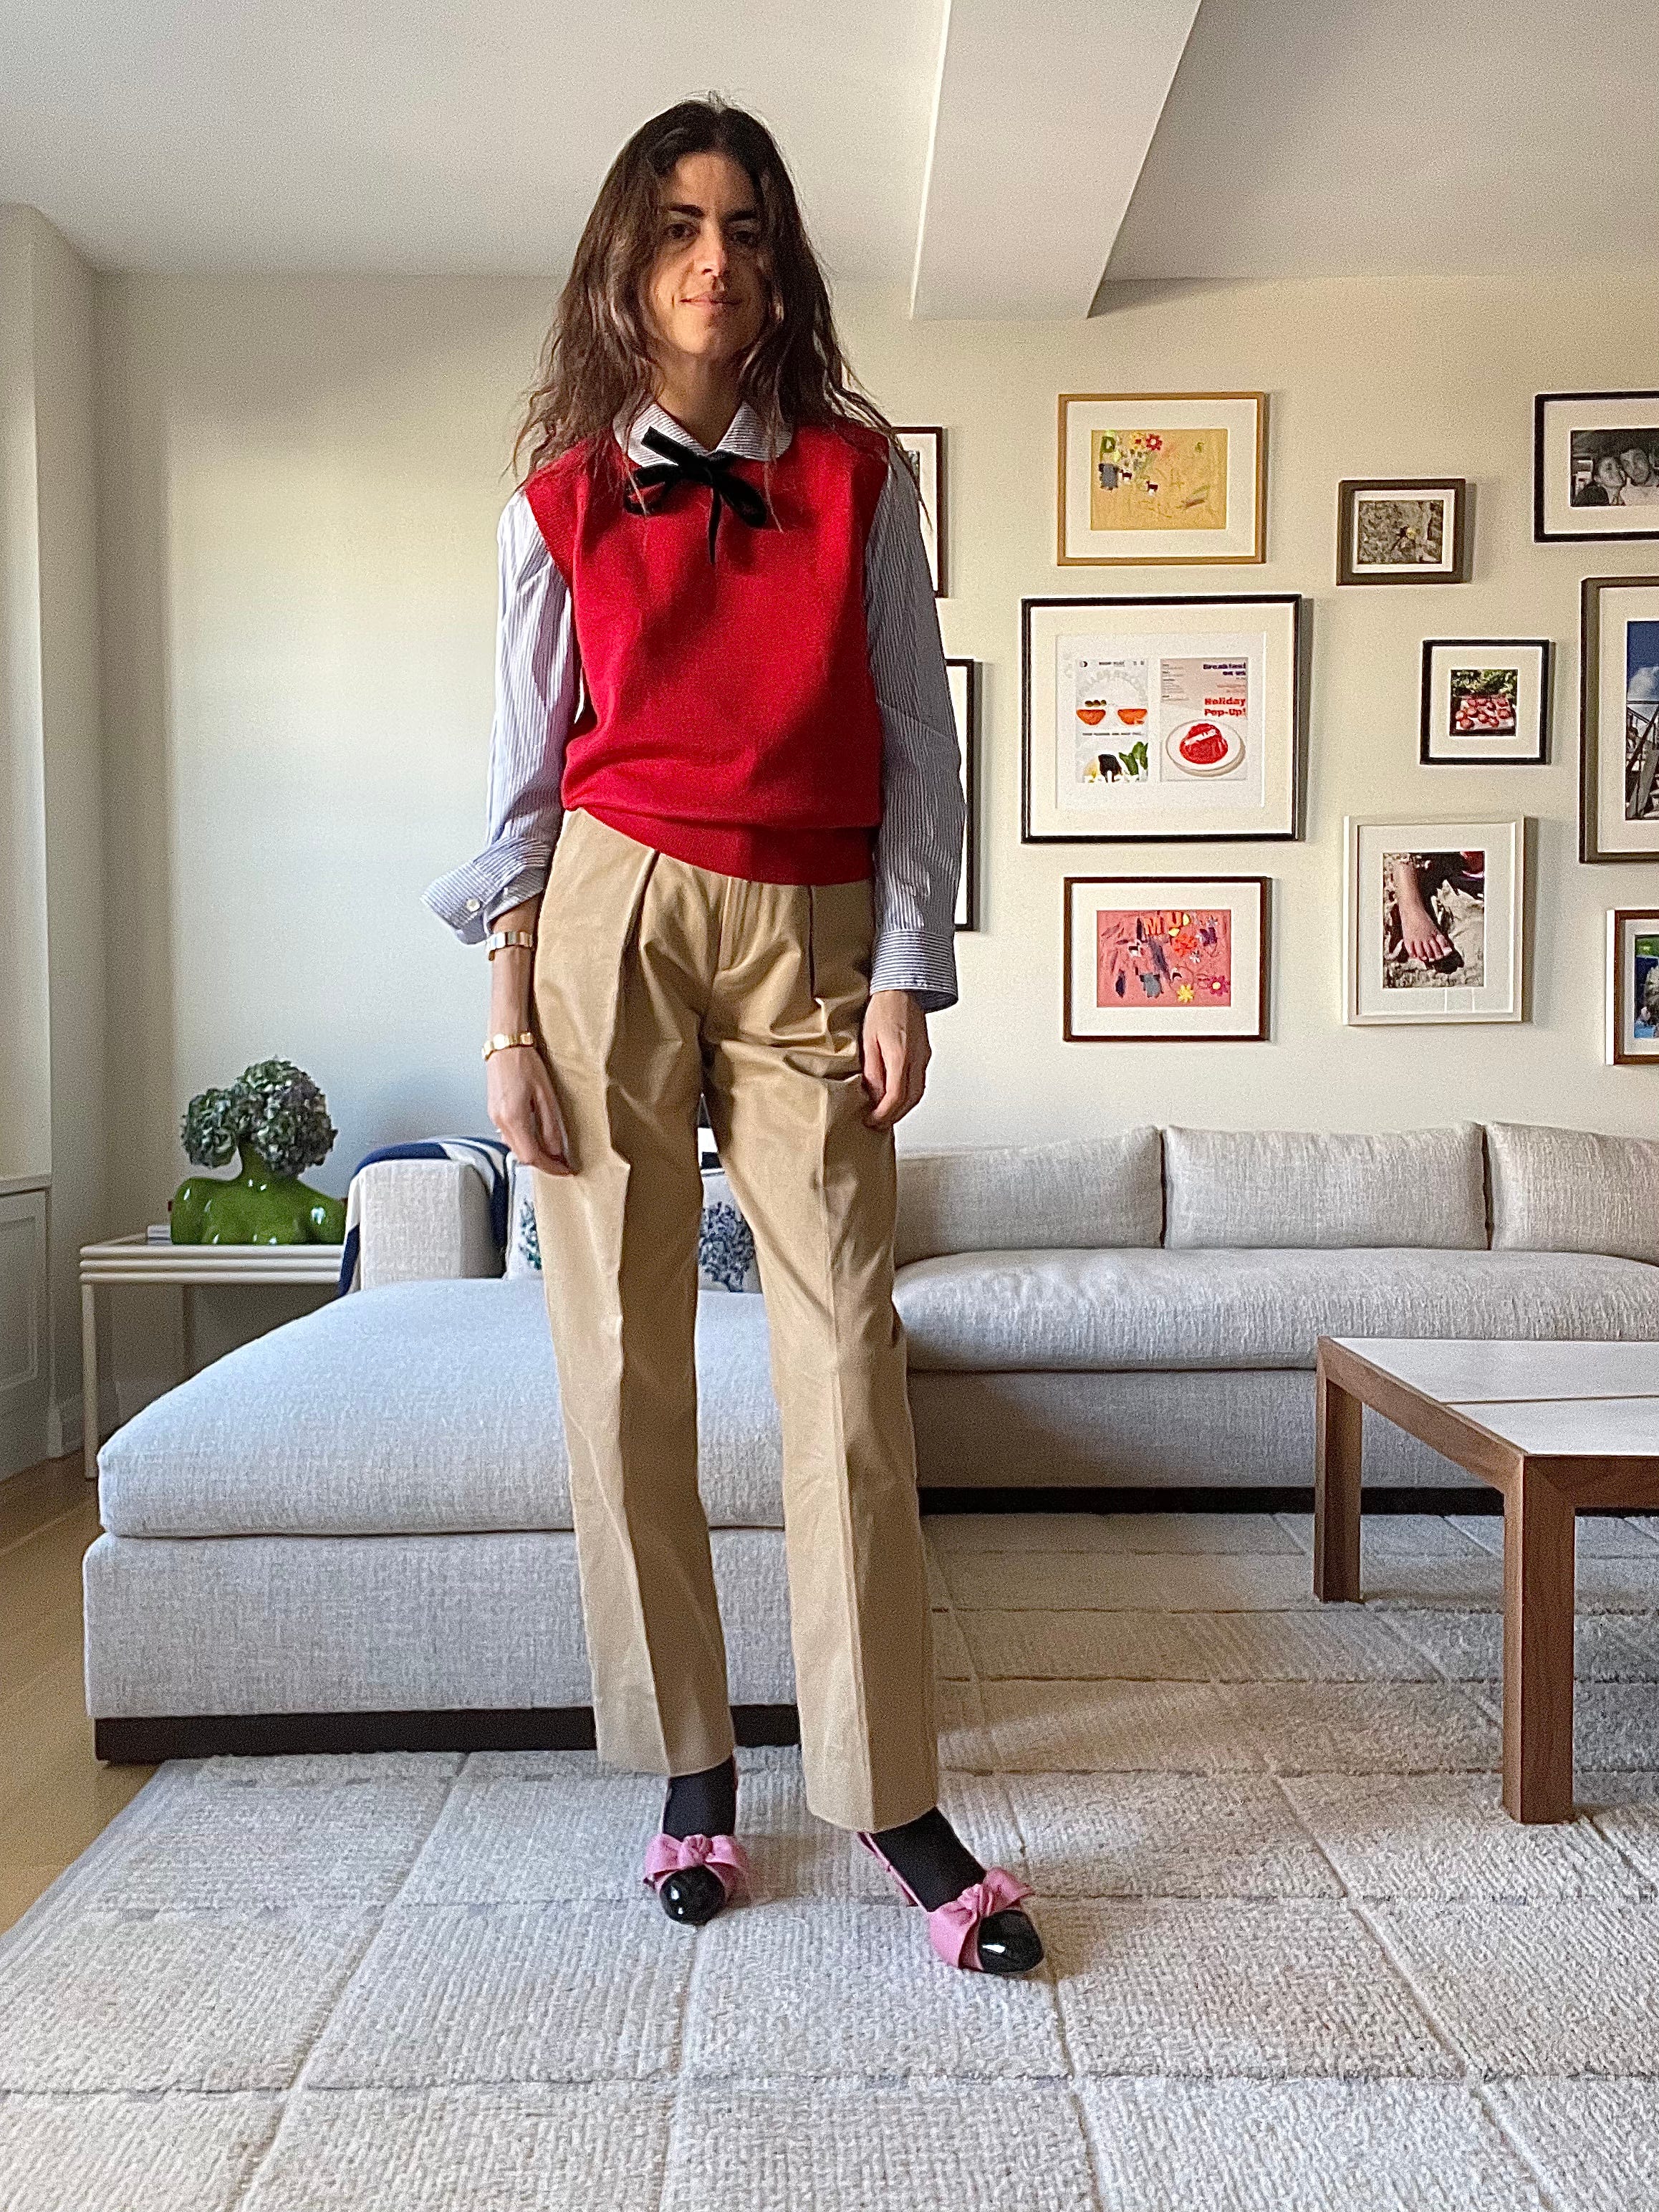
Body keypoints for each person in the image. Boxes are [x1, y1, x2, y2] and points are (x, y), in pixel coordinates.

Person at [423, 96, 1042, 1979]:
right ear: (626, 264)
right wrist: (505, 1015)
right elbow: (524, 785)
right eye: (680, 227)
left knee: (846, 1349)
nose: (714, 260)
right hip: (604, 916)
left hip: (811, 930)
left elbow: (919, 737)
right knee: (619, 1356)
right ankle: (692, 1767)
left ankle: (883, 1787)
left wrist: (910, 967)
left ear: (780, 268)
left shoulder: (858, 478)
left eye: (746, 229)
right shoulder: (556, 506)